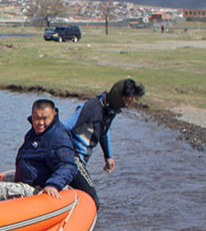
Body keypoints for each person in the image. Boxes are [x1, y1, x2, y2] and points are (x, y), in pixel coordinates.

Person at [62, 78, 146, 207]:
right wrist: (64, 153)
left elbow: (104, 131)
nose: (127, 105)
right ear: (118, 96)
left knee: (77, 194)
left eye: (130, 102)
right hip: (73, 158)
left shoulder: (109, 110)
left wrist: (108, 156)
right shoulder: (91, 108)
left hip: (79, 161)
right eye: (126, 101)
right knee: (93, 201)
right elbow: (64, 127)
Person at [0, 99, 78, 201]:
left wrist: (53, 185)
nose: (40, 123)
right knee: (4, 178)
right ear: (32, 115)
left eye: (45, 118)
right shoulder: (34, 132)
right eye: (37, 118)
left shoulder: (58, 137)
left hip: (40, 187)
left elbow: (68, 165)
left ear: (54, 115)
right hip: (31, 178)